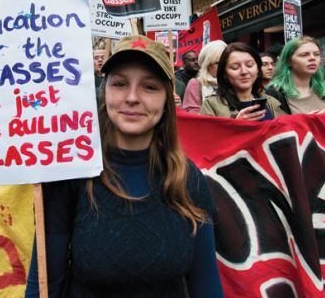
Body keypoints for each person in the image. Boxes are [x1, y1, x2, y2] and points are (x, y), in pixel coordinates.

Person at [25, 35, 224, 297]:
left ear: (167, 100)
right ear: (104, 91)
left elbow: (206, 286)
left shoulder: (189, 179)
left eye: (149, 87)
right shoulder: (71, 174)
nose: (132, 97)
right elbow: (43, 285)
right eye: (119, 84)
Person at [201, 43, 284, 120]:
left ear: (258, 70)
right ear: (224, 73)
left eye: (249, 65)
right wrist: (237, 125)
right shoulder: (211, 105)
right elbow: (206, 135)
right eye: (235, 67)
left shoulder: (270, 101)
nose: (244, 71)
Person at [266, 36, 325, 114]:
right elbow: (273, 125)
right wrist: (303, 122)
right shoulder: (275, 93)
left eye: (316, 54)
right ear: (288, 61)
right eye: (304, 55)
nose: (312, 58)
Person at [181, 40, 227, 113]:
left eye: (226, 62)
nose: (223, 67)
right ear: (207, 64)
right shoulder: (196, 83)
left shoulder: (233, 81)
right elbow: (191, 115)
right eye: (217, 63)